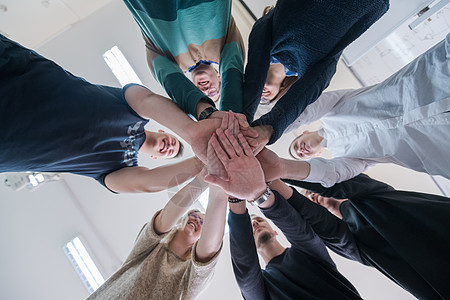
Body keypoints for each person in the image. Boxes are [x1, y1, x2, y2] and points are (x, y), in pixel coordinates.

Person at [0, 34, 233, 193]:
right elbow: (148, 100)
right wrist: (192, 132)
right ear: (163, 129)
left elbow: (146, 182)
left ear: (155, 159)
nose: (169, 147)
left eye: (169, 153)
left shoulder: (119, 168)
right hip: (16, 72)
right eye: (173, 142)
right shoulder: (135, 110)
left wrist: (205, 161)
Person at [204, 125, 362, 300]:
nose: (255, 223)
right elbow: (301, 232)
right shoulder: (311, 256)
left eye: (256, 220)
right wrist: (256, 192)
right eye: (254, 223)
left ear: (275, 230)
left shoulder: (263, 289)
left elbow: (246, 274)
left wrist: (239, 199)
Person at [284, 33, 450, 186]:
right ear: (316, 156)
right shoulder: (345, 158)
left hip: (429, 82)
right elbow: (332, 173)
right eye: (301, 155)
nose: (301, 150)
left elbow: (306, 111)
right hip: (438, 141)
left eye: (296, 145)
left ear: (304, 132)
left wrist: (272, 129)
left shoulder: (329, 111)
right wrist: (284, 168)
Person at [242, 0, 389, 149]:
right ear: (280, 92)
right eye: (265, 99)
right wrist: (269, 127)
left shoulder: (266, 40)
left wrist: (243, 118)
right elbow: (310, 89)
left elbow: (255, 73)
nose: (262, 94)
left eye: (258, 97)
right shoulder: (309, 70)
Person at [282, 174, 450, 300]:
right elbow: (325, 227)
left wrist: (284, 172)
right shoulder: (355, 243)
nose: (311, 195)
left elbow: (340, 181)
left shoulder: (374, 194)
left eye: (311, 190)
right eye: (307, 197)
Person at [87, 171, 229, 300]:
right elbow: (163, 221)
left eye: (203, 222)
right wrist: (204, 177)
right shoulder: (148, 250)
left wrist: (219, 186)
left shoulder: (189, 274)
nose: (197, 220)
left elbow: (209, 250)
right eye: (193, 215)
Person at [123, 0, 246, 120]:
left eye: (202, 94)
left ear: (192, 87)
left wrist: (201, 107)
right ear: (219, 77)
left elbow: (171, 80)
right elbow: (233, 69)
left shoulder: (168, 60)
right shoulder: (225, 44)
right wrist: (229, 118)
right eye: (213, 92)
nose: (206, 91)